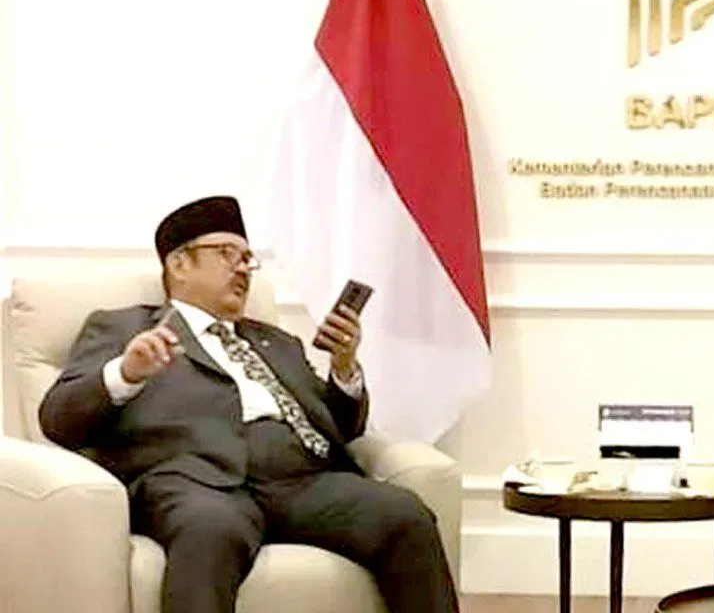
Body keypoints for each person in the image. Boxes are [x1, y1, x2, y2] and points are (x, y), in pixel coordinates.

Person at [39, 196, 459, 613]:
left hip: (302, 482)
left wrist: (344, 368)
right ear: (179, 264)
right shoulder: (124, 328)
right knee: (210, 530)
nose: (242, 268)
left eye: (247, 259)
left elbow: (344, 428)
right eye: (227, 254)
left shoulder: (277, 342)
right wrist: (127, 373)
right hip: (197, 482)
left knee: (405, 514)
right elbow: (58, 419)